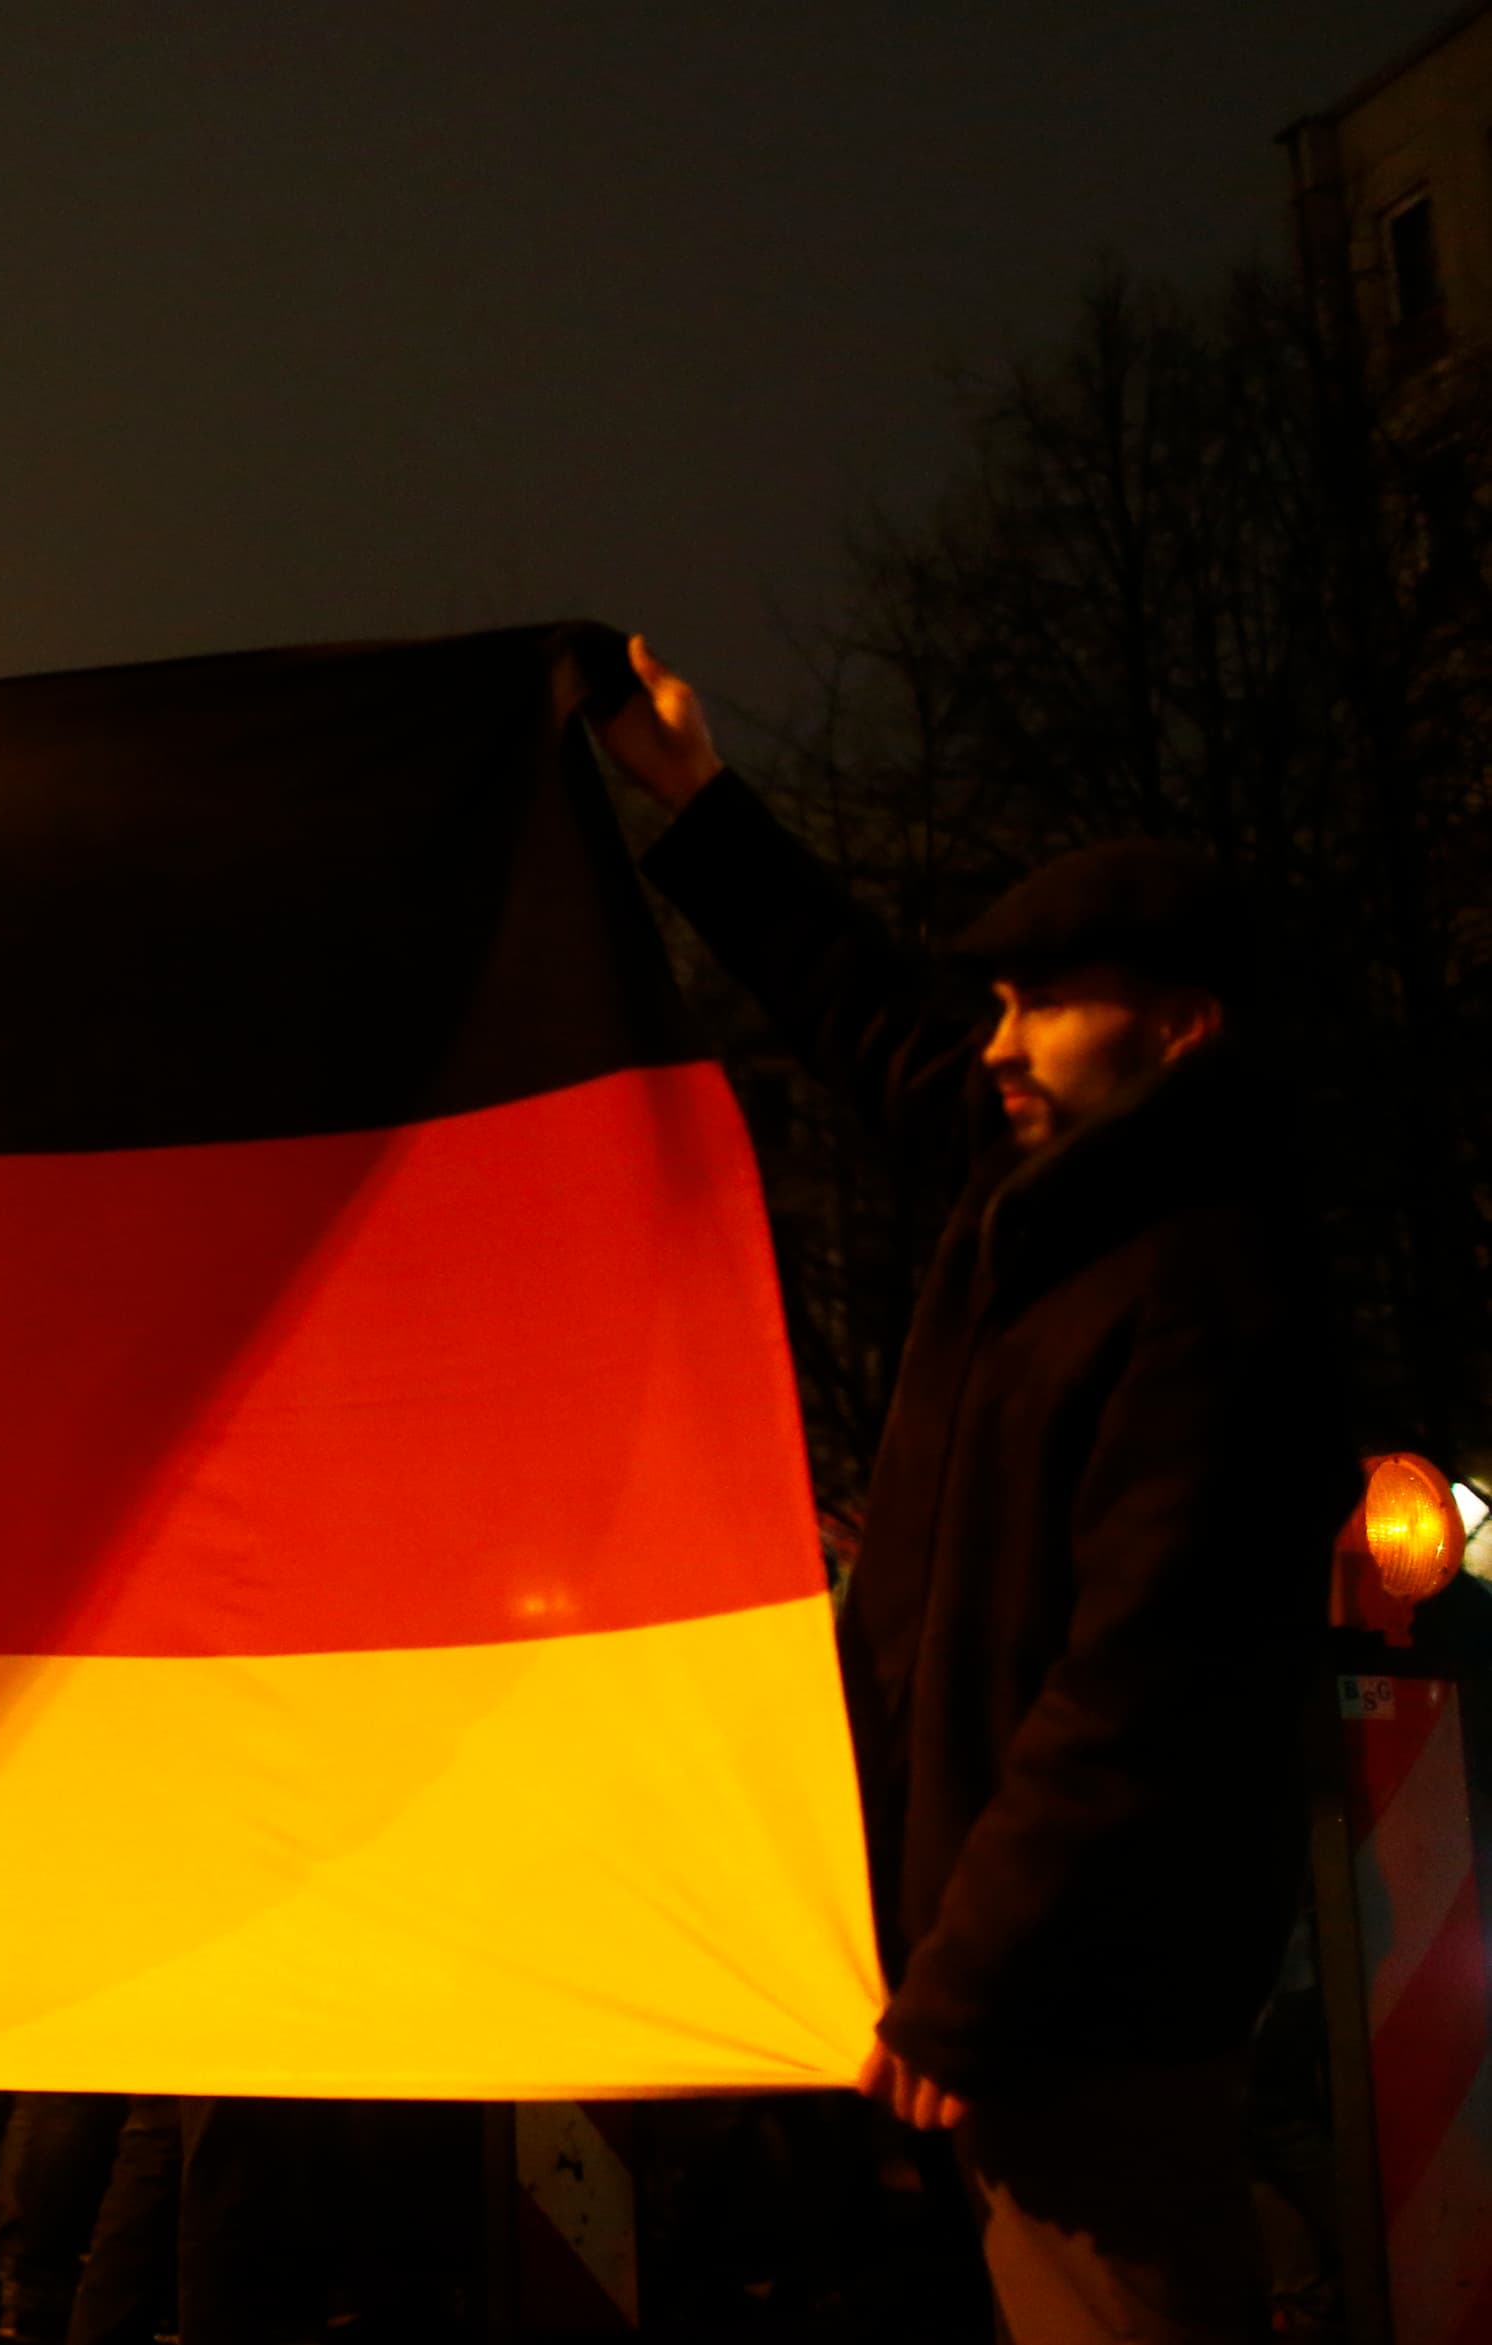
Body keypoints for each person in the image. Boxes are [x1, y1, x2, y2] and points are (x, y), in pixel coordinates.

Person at [598, 643, 1354, 2342]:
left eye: (1038, 1005)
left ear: (1177, 1028)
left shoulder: (1206, 1291)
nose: (993, 1043)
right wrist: (696, 801)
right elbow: (871, 1018)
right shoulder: (1055, 1202)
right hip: (1030, 1985)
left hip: (1087, 2007)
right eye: (995, 1005)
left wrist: (962, 1988)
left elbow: (1130, 1695)